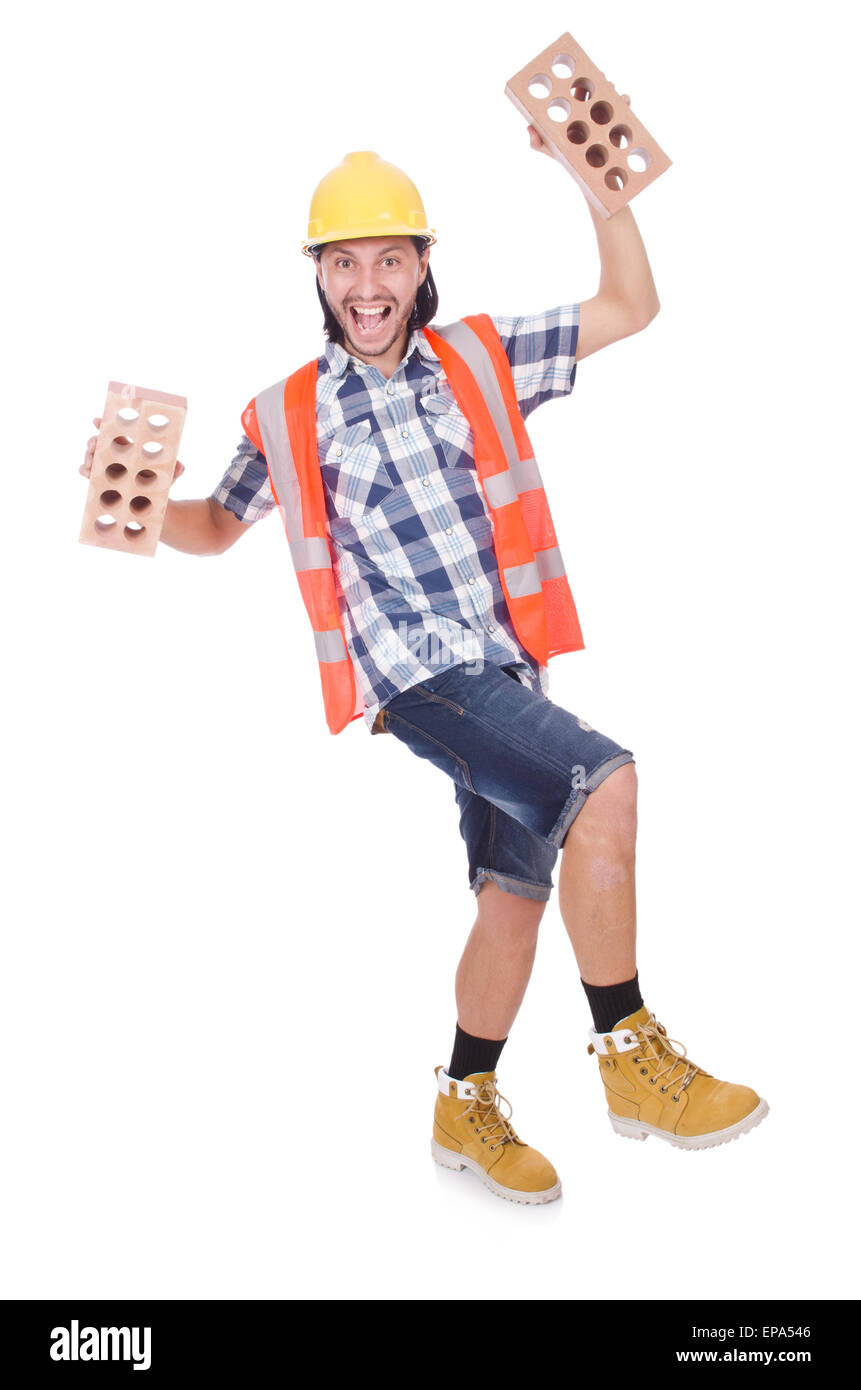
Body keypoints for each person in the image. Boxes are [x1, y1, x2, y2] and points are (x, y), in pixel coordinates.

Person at [81, 134, 768, 1207]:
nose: (368, 285)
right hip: (419, 679)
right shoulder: (287, 413)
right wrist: (135, 498)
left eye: (389, 260)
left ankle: (464, 1098)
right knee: (607, 781)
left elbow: (630, 305)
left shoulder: (482, 358)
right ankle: (631, 1054)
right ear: (316, 272)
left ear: (421, 266)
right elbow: (217, 524)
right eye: (344, 262)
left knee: (513, 891)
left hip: (508, 669)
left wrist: (598, 189)